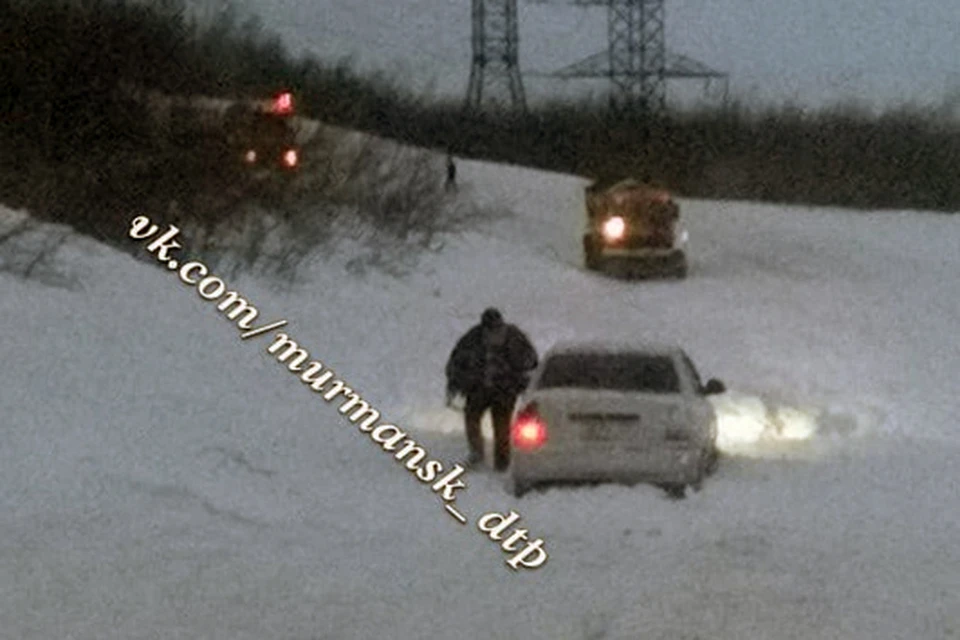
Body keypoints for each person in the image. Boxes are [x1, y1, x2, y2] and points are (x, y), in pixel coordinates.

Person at [445, 308, 538, 471]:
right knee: (494, 424)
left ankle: (486, 456)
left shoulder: (476, 337)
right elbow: (531, 361)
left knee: (486, 422)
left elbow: (456, 361)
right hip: (492, 390)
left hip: (493, 390)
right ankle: (496, 459)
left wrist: (456, 381)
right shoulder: (508, 336)